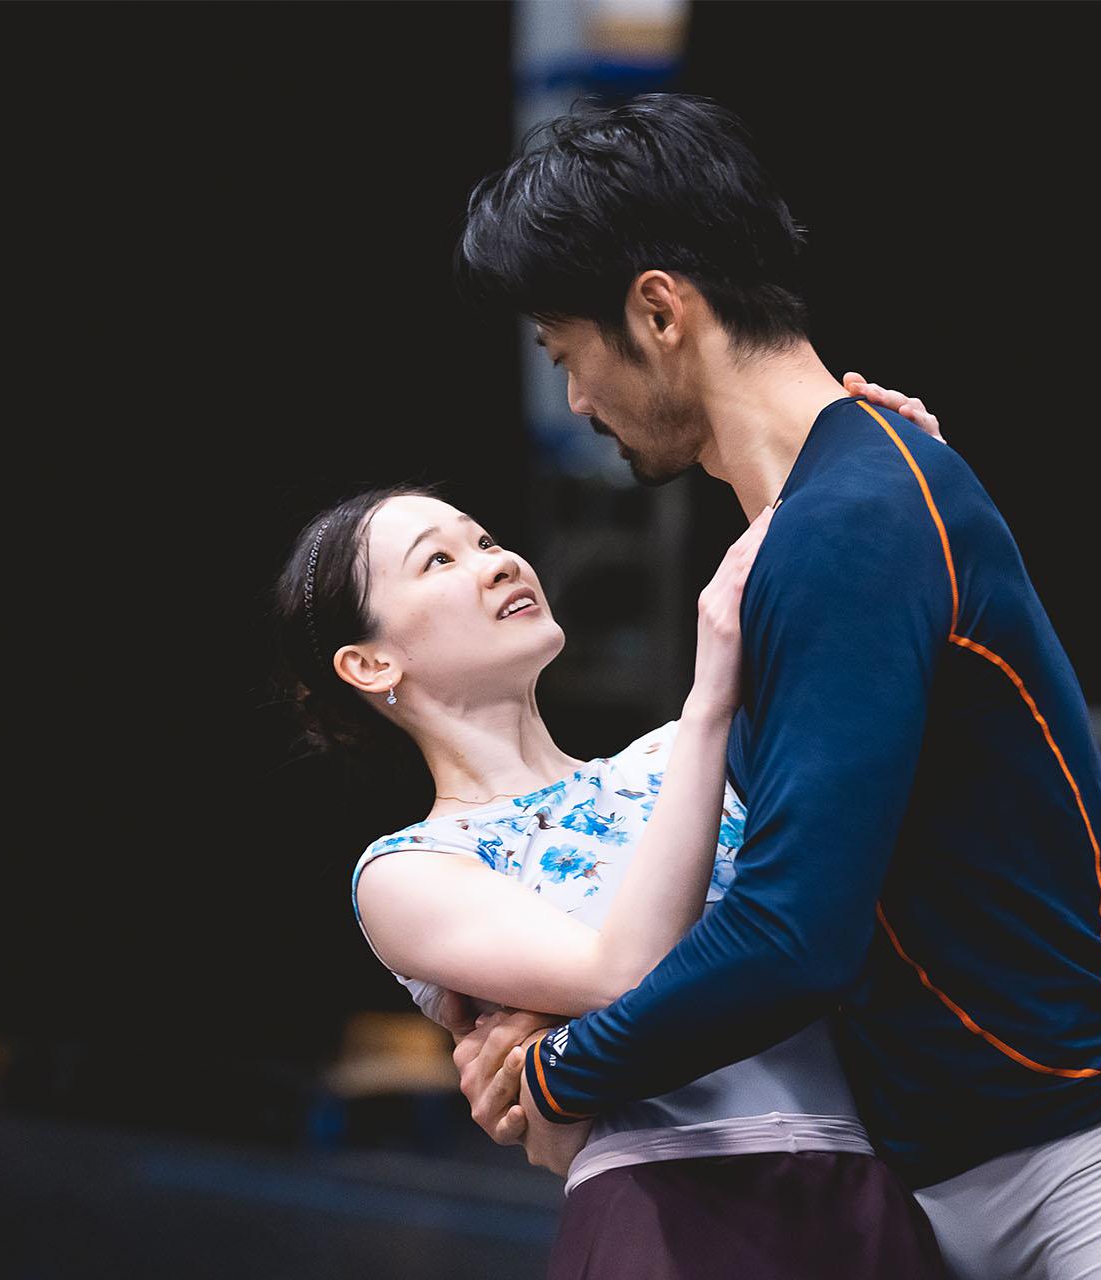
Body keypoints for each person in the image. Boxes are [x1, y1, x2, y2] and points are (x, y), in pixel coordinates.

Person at [449, 94, 1101, 1280]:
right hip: (933, 1190)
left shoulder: (857, 519)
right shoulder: (834, 510)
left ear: (658, 310)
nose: (577, 400)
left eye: (564, 353)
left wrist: (556, 1069)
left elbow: (794, 935)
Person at [273, 430, 949, 1277]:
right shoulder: (409, 869)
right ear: (370, 662)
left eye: (485, 540)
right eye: (437, 561)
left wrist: (889, 465)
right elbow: (625, 975)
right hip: (667, 1213)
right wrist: (709, 701)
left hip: (856, 1183)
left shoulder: (674, 757)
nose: (497, 562)